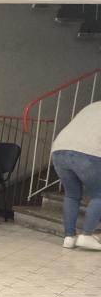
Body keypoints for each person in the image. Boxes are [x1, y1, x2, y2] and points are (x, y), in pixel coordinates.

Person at [51, 100, 101, 250]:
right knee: (99, 194)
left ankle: (69, 237)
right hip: (88, 151)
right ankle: (86, 235)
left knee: (71, 195)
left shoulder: (92, 105)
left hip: (59, 149)